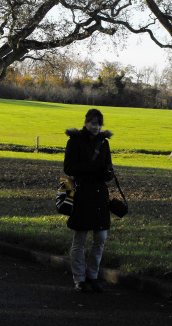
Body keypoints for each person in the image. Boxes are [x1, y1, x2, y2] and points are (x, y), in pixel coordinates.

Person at [63, 108, 114, 293]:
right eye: (93, 123)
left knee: (100, 238)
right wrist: (92, 167)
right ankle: (79, 278)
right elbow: (68, 167)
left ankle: (92, 275)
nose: (96, 127)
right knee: (80, 239)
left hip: (100, 194)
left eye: (99, 124)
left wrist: (108, 172)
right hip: (82, 193)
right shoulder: (75, 141)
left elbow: (108, 168)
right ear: (86, 123)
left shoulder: (104, 143)